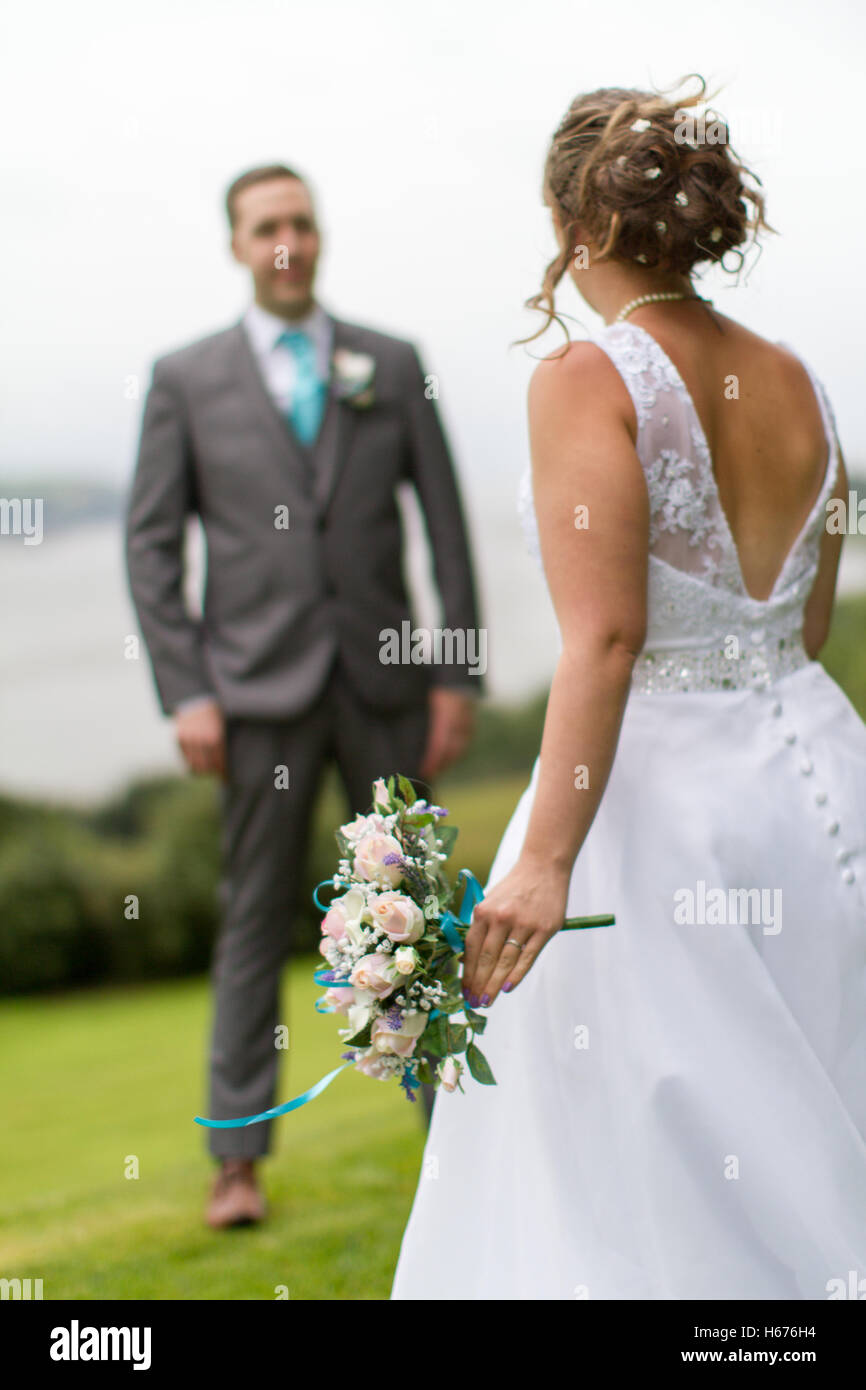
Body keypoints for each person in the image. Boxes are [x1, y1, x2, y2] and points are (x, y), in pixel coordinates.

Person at [391, 77, 866, 1299]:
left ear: (572, 222)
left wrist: (542, 858)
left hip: (657, 812)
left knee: (657, 1160)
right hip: (824, 777)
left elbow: (605, 640)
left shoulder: (585, 378)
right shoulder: (799, 378)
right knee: (820, 1088)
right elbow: (803, 623)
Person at [125, 163, 485, 1230]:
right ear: (238, 245)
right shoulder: (181, 378)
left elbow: (448, 530)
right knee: (250, 919)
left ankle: (453, 1138)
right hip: (252, 698)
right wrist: (185, 689)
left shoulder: (393, 360)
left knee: (415, 913)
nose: (287, 240)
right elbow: (151, 548)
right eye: (264, 226)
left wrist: (455, 671)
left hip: (385, 686)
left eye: (301, 222)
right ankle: (234, 1162)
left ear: (319, 237)